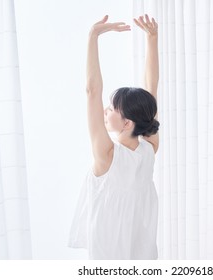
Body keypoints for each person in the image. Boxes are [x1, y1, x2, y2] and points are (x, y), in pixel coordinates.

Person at [68, 14, 160, 260]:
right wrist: (152, 39)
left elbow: (91, 91)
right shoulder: (149, 148)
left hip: (108, 253)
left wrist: (93, 36)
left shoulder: (107, 156)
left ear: (127, 122)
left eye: (111, 108)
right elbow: (151, 88)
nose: (105, 111)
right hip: (141, 248)